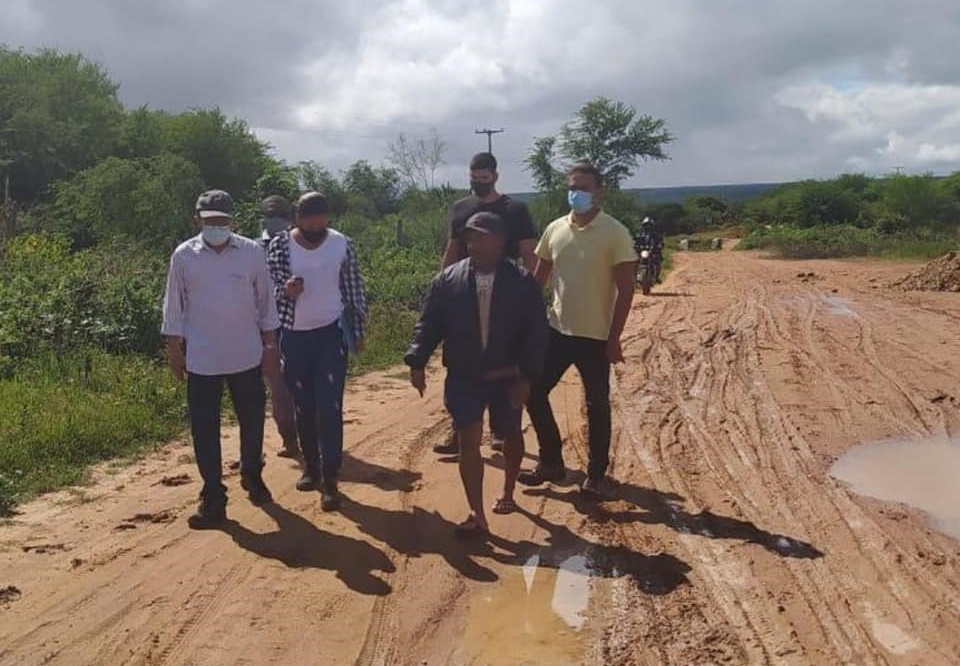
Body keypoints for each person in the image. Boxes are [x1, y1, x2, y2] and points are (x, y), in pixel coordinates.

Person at [406, 212, 548, 535]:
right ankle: (476, 513)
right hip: (465, 374)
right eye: (470, 238)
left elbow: (536, 334)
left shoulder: (523, 282)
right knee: (468, 439)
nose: (474, 244)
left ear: (500, 242)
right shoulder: (448, 280)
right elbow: (429, 324)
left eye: (482, 237)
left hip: (507, 375)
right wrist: (417, 360)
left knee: (510, 433)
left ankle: (509, 489)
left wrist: (527, 376)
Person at [162, 189, 282, 528]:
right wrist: (174, 350)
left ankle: (252, 474)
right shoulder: (184, 256)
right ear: (198, 219)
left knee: (253, 419)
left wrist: (270, 349)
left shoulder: (251, 253)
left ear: (233, 221)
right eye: (209, 221)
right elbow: (174, 305)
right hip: (202, 358)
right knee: (204, 429)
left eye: (222, 221)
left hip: (246, 355)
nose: (216, 226)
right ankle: (213, 495)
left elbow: (266, 303)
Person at [519, 163, 638, 498]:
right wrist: (522, 322)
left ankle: (596, 476)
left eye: (584, 187)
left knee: (597, 405)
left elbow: (626, 290)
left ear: (599, 190)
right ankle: (551, 462)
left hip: (596, 337)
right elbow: (537, 281)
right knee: (533, 391)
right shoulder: (555, 229)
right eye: (573, 186)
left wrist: (614, 339)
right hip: (556, 331)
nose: (577, 193)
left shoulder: (615, 233)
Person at [266, 191, 368, 512]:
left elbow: (354, 289)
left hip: (330, 333)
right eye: (309, 220)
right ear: (298, 219)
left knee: (329, 405)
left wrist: (359, 331)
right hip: (294, 335)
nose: (316, 226)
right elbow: (267, 288)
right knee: (304, 405)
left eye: (321, 219)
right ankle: (310, 466)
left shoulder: (341, 244)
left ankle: (331, 478)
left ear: (328, 218)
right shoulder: (280, 245)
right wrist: (286, 289)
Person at [434, 152, 540, 457]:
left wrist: (533, 294)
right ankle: (460, 430)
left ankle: (500, 430)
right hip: (465, 297)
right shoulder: (461, 208)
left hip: (506, 297)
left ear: (495, 175)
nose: (478, 183)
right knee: (460, 364)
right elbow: (452, 250)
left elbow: (528, 253)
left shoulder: (515, 209)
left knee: (502, 364)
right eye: (474, 177)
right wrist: (441, 288)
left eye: (483, 178)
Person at [257, 195, 299, 459]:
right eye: (270, 216)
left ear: (290, 219)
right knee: (277, 382)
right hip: (264, 324)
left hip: (297, 321)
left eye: (279, 216)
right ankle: (289, 439)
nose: (274, 221)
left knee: (298, 381)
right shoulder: (251, 248)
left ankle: (306, 432)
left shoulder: (300, 244)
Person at [634, 216, 664, 283]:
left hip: (653, 252)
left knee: (657, 263)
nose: (648, 227)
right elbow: (635, 241)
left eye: (649, 225)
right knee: (634, 262)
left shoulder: (656, 235)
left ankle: (656, 277)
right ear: (643, 225)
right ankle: (635, 277)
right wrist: (634, 246)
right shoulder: (640, 234)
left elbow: (660, 242)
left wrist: (659, 246)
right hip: (642, 252)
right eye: (646, 225)